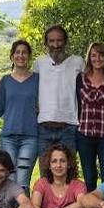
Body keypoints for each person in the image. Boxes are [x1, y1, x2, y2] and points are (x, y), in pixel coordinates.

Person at [0, 40, 40, 192]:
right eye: (17, 52)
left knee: (22, 180)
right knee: (9, 178)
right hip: (8, 137)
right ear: (12, 56)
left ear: (29, 56)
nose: (21, 55)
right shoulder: (5, 80)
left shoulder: (37, 79)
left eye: (24, 52)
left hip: (30, 137)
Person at [76, 43, 104, 192]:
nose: (97, 58)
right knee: (89, 177)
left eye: (100, 55)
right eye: (93, 55)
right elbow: (77, 104)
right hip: (85, 135)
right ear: (89, 58)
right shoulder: (81, 78)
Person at [34, 25, 84, 153]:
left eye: (59, 40)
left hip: (69, 126)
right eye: (51, 41)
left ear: (65, 41)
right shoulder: (39, 63)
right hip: (44, 127)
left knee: (70, 169)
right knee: (45, 170)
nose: (56, 45)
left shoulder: (78, 62)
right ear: (46, 43)